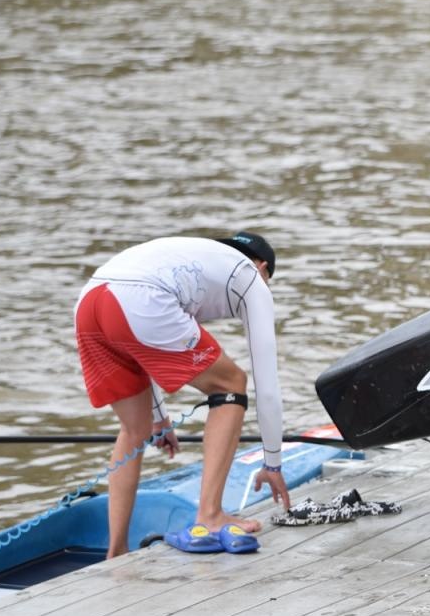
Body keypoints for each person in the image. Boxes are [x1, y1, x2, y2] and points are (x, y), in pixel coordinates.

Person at [74, 231, 291, 557]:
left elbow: (139, 338)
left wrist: (159, 420)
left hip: (90, 301)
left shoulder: (191, 260)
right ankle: (211, 515)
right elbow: (268, 384)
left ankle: (116, 552)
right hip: (138, 301)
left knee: (134, 430)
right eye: (268, 280)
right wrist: (272, 464)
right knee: (232, 383)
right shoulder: (250, 277)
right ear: (261, 267)